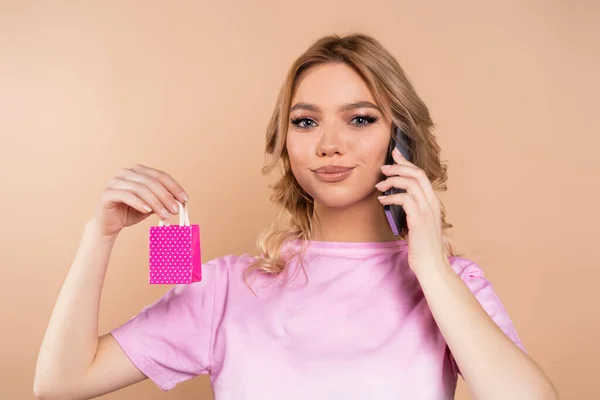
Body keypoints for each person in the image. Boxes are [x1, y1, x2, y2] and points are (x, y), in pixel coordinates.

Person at [34, 33, 557, 400]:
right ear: (286, 145)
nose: (330, 144)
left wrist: (430, 267)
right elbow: (60, 382)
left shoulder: (450, 285)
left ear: (400, 140)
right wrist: (98, 236)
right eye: (306, 122)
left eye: (360, 119)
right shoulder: (226, 288)